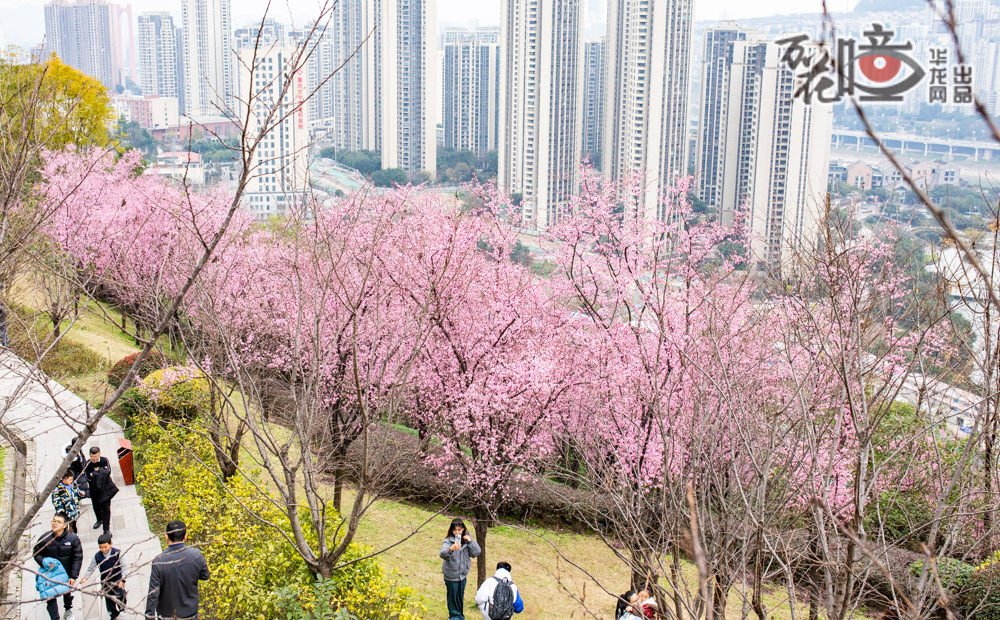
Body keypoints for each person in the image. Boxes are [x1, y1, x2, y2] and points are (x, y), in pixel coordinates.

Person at [145, 519, 210, 619]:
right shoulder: (196, 555)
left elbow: (153, 594)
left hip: (167, 615)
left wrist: (149, 616)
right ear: (185, 536)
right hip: (190, 613)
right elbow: (205, 576)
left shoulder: (159, 561)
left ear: (166, 537)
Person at [33, 511, 82, 620]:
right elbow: (36, 553)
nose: (54, 524)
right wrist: (45, 562)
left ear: (65, 525)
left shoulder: (73, 539)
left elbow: (77, 557)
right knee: (50, 596)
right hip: (50, 573)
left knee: (68, 593)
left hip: (67, 572)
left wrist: (73, 576)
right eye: (54, 521)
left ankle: (68, 610)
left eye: (58, 522)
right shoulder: (45, 538)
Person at [439, 517, 481, 620]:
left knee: (459, 597)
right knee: (453, 598)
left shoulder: (467, 539)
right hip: (451, 575)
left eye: (459, 530)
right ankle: (454, 617)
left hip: (462, 575)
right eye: (455, 530)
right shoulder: (448, 541)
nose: (457, 532)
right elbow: (442, 554)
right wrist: (451, 549)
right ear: (451, 530)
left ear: (463, 529)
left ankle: (460, 616)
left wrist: (470, 542)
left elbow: (476, 552)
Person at [81, 532, 128, 620]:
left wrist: (123, 580)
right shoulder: (97, 556)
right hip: (105, 581)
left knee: (121, 595)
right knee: (109, 599)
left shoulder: (117, 553)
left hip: (118, 580)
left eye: (105, 547)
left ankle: (122, 608)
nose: (103, 549)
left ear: (111, 544)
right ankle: (113, 614)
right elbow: (91, 568)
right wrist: (85, 577)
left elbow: (124, 567)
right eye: (101, 547)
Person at [84, 446, 118, 533]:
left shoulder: (104, 460)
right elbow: (88, 478)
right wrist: (101, 472)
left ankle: (106, 529)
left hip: (105, 489)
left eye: (96, 457)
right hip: (94, 490)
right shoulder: (87, 464)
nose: (94, 459)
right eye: (92, 457)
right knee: (96, 507)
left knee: (106, 508)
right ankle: (99, 520)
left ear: (99, 454)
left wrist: (94, 474)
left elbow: (108, 472)